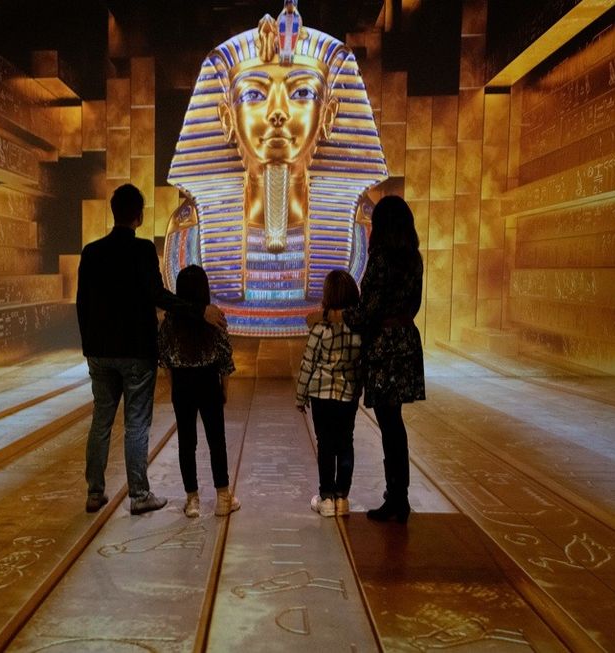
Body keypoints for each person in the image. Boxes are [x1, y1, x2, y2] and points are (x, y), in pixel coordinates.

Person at [162, 3, 387, 337]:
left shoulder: (362, 231)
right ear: (226, 118)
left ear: (328, 116)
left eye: (301, 92)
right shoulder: (188, 232)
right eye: (254, 93)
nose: (278, 112)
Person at [77, 184, 227, 515]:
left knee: (101, 420)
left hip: (100, 353)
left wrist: (89, 346)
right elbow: (157, 296)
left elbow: (82, 304)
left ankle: (94, 491)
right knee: (136, 422)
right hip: (135, 351)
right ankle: (139, 494)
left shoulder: (91, 253)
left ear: (113, 211)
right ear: (139, 216)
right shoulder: (143, 251)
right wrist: (199, 310)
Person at [312, 195, 425, 523]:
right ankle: (397, 494)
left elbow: (366, 312)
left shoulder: (380, 259)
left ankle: (397, 498)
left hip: (385, 347)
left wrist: (332, 316)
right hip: (406, 339)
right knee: (394, 423)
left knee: (389, 424)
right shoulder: (413, 259)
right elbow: (414, 304)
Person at [158, 265, 241, 518]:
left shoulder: (170, 322)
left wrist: (175, 389)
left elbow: (165, 361)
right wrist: (224, 390)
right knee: (217, 441)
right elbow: (225, 359)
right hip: (209, 383)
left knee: (187, 442)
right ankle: (223, 497)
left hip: (182, 384)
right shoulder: (214, 318)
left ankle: (192, 499)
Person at [295, 269, 362, 518]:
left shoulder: (319, 328)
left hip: (321, 395)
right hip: (348, 394)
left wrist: (300, 396)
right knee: (345, 442)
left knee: (325, 445)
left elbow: (307, 363)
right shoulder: (358, 330)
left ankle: (326, 498)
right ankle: (342, 497)